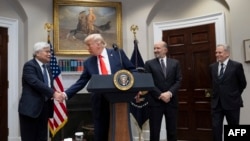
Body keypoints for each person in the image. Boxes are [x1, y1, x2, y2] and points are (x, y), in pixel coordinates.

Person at [63, 33, 136, 141]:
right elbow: (81, 82)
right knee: (100, 130)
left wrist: (135, 90)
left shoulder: (118, 54)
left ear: (98, 44)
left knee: (119, 128)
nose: (87, 48)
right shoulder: (89, 62)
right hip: (99, 100)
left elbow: (132, 70)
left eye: (88, 45)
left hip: (119, 99)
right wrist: (65, 94)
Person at [18, 42, 65, 141]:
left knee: (42, 137)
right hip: (31, 109)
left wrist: (56, 93)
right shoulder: (29, 66)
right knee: (29, 138)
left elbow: (48, 85)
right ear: (37, 53)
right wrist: (53, 93)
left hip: (45, 108)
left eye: (50, 52)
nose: (49, 54)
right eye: (47, 51)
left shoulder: (47, 67)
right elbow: (35, 83)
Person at [144, 41, 182, 141]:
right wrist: (161, 95)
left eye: (158, 48)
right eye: (154, 48)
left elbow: (178, 81)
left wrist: (169, 93)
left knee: (172, 130)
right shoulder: (149, 64)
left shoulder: (175, 63)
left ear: (165, 50)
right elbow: (149, 83)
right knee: (154, 131)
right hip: (155, 102)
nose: (155, 50)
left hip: (171, 101)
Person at [209, 44, 247, 141]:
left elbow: (242, 84)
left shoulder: (236, 66)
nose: (217, 54)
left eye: (220, 52)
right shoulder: (212, 67)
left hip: (232, 103)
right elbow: (212, 84)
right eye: (216, 52)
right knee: (216, 128)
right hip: (217, 104)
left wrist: (233, 95)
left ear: (227, 53)